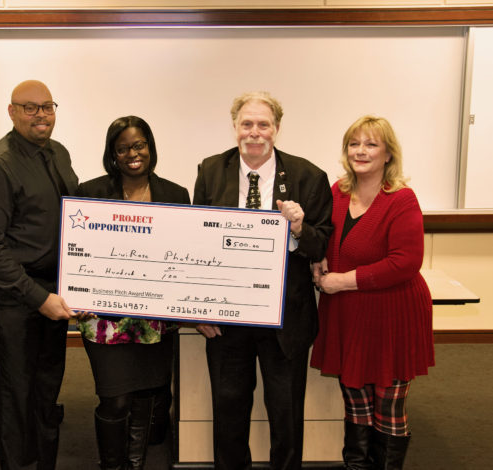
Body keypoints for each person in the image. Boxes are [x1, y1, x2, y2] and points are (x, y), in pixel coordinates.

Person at [193, 91, 333, 470]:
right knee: (228, 412)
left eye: (264, 125)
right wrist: (200, 309)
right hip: (227, 318)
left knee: (286, 415)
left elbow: (323, 242)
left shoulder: (309, 176)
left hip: (285, 317)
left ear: (277, 129)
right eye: (246, 124)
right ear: (235, 127)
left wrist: (300, 227)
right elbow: (197, 242)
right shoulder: (210, 171)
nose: (255, 133)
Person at [311, 116, 435, 470]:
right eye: (354, 143)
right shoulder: (337, 192)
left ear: (388, 155)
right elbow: (324, 237)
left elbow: (405, 262)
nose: (360, 151)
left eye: (371, 144)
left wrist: (342, 281)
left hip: (392, 314)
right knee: (355, 398)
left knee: (387, 404)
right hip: (347, 314)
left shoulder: (401, 199)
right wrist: (317, 260)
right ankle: (356, 464)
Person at [0, 80, 79, 470]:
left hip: (53, 292)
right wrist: (38, 297)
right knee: (18, 391)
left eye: (47, 106)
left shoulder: (58, 153)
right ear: (12, 112)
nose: (41, 115)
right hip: (15, 296)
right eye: (30, 108)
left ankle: (44, 463)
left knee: (47, 387)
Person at [75, 116, 191, 470]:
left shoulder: (175, 194)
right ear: (112, 154)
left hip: (154, 318)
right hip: (104, 319)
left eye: (139, 145)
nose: (132, 154)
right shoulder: (90, 192)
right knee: (114, 399)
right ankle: (112, 465)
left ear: (150, 147)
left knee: (145, 395)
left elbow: (187, 254)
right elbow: (75, 251)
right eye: (122, 148)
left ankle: (135, 462)